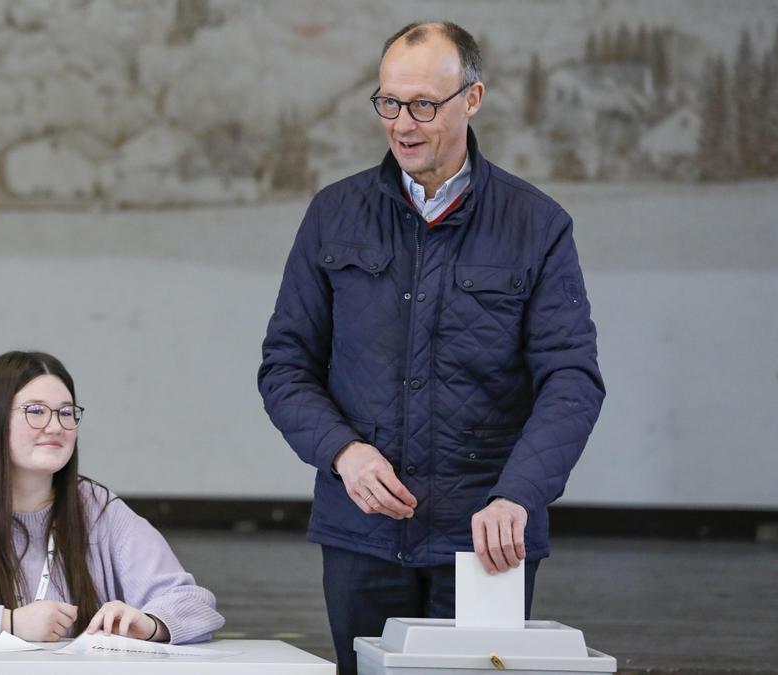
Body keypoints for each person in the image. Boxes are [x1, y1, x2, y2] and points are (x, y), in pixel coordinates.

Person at [257, 21, 605, 672]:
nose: (403, 124)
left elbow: (572, 380)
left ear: (472, 99)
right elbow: (285, 366)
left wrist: (519, 495)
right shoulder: (334, 214)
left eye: (423, 104)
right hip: (361, 531)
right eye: (389, 102)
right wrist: (343, 452)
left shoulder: (538, 226)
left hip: (486, 538)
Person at [0, 350, 224, 644]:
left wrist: (150, 623)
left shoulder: (99, 509)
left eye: (66, 413)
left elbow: (195, 605)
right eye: (35, 411)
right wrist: (7, 623)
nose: (55, 426)